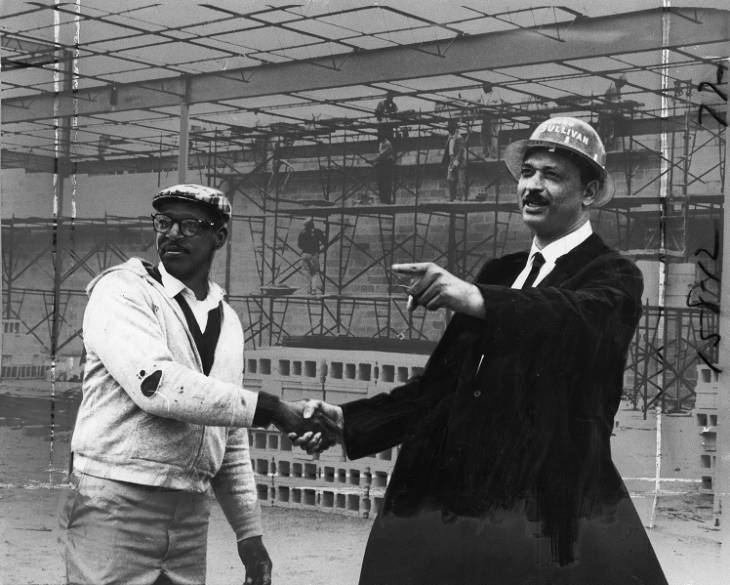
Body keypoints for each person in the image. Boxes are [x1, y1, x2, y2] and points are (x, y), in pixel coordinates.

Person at [294, 118, 669, 585]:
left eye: (551, 176)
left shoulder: (613, 276)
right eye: (528, 172)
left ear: (589, 193)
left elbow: (575, 318)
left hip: (541, 508)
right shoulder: (500, 270)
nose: (532, 186)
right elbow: (439, 388)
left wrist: (476, 298)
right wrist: (348, 422)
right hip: (455, 496)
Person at [60, 184, 333, 585]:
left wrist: (249, 536)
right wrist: (275, 410)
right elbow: (158, 386)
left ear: (219, 236)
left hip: (188, 515)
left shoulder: (228, 322)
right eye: (164, 222)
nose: (172, 234)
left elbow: (228, 433)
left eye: (189, 225)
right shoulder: (122, 292)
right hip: (114, 501)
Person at [297, 218, 328, 294]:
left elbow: (299, 245)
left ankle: (308, 289)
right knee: (314, 273)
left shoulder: (302, 232)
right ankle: (314, 290)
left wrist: (306, 246)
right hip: (314, 254)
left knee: (306, 272)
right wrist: (322, 249)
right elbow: (325, 242)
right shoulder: (317, 232)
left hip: (305, 254)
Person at [443, 119, 467, 200]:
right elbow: (448, 151)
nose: (450, 130)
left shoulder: (459, 138)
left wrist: (456, 161)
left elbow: (460, 151)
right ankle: (452, 196)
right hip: (451, 160)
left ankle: (460, 197)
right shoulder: (450, 138)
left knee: (460, 180)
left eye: (451, 129)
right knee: (450, 178)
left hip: (459, 162)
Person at [372, 127, 396, 204]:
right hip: (382, 163)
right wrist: (376, 162)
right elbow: (380, 154)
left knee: (386, 182)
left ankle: (387, 200)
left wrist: (374, 160)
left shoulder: (387, 143)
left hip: (387, 163)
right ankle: (383, 199)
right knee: (380, 183)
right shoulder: (381, 144)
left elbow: (383, 155)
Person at [479, 82, 502, 159]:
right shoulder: (483, 95)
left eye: (484, 87)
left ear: (489, 87)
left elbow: (499, 105)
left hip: (493, 117)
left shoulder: (496, 94)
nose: (483, 89)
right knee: (483, 135)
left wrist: (489, 107)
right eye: (483, 87)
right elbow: (481, 105)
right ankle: (485, 152)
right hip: (485, 117)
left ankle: (494, 154)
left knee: (493, 135)